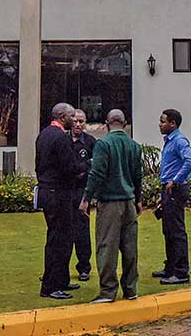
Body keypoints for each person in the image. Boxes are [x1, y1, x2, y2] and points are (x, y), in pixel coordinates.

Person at [80, 109, 142, 304]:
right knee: (130, 247)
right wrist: (138, 199)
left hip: (110, 202)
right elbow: (138, 175)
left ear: (107, 123)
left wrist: (86, 198)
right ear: (124, 123)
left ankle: (108, 291)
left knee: (107, 246)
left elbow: (96, 173)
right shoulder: (134, 146)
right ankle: (130, 288)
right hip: (129, 201)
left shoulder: (104, 144)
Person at [35, 102, 86, 300]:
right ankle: (51, 286)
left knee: (58, 237)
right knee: (59, 240)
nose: (74, 121)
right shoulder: (60, 138)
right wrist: (85, 166)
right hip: (59, 193)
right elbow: (69, 167)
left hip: (47, 190)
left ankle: (61, 279)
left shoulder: (43, 135)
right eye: (72, 117)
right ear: (62, 117)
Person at [153, 108, 191, 285]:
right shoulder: (169, 141)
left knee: (176, 231)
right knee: (168, 230)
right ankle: (170, 266)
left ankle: (181, 272)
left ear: (173, 123)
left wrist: (175, 180)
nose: (160, 124)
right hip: (168, 189)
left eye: (163, 121)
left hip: (175, 189)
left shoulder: (179, 141)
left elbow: (190, 162)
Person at [70, 109, 97, 282]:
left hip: (81, 191)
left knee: (82, 231)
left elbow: (95, 167)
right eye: (76, 121)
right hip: (65, 191)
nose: (78, 125)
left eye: (82, 121)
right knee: (62, 231)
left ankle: (84, 267)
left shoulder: (90, 142)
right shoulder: (63, 140)